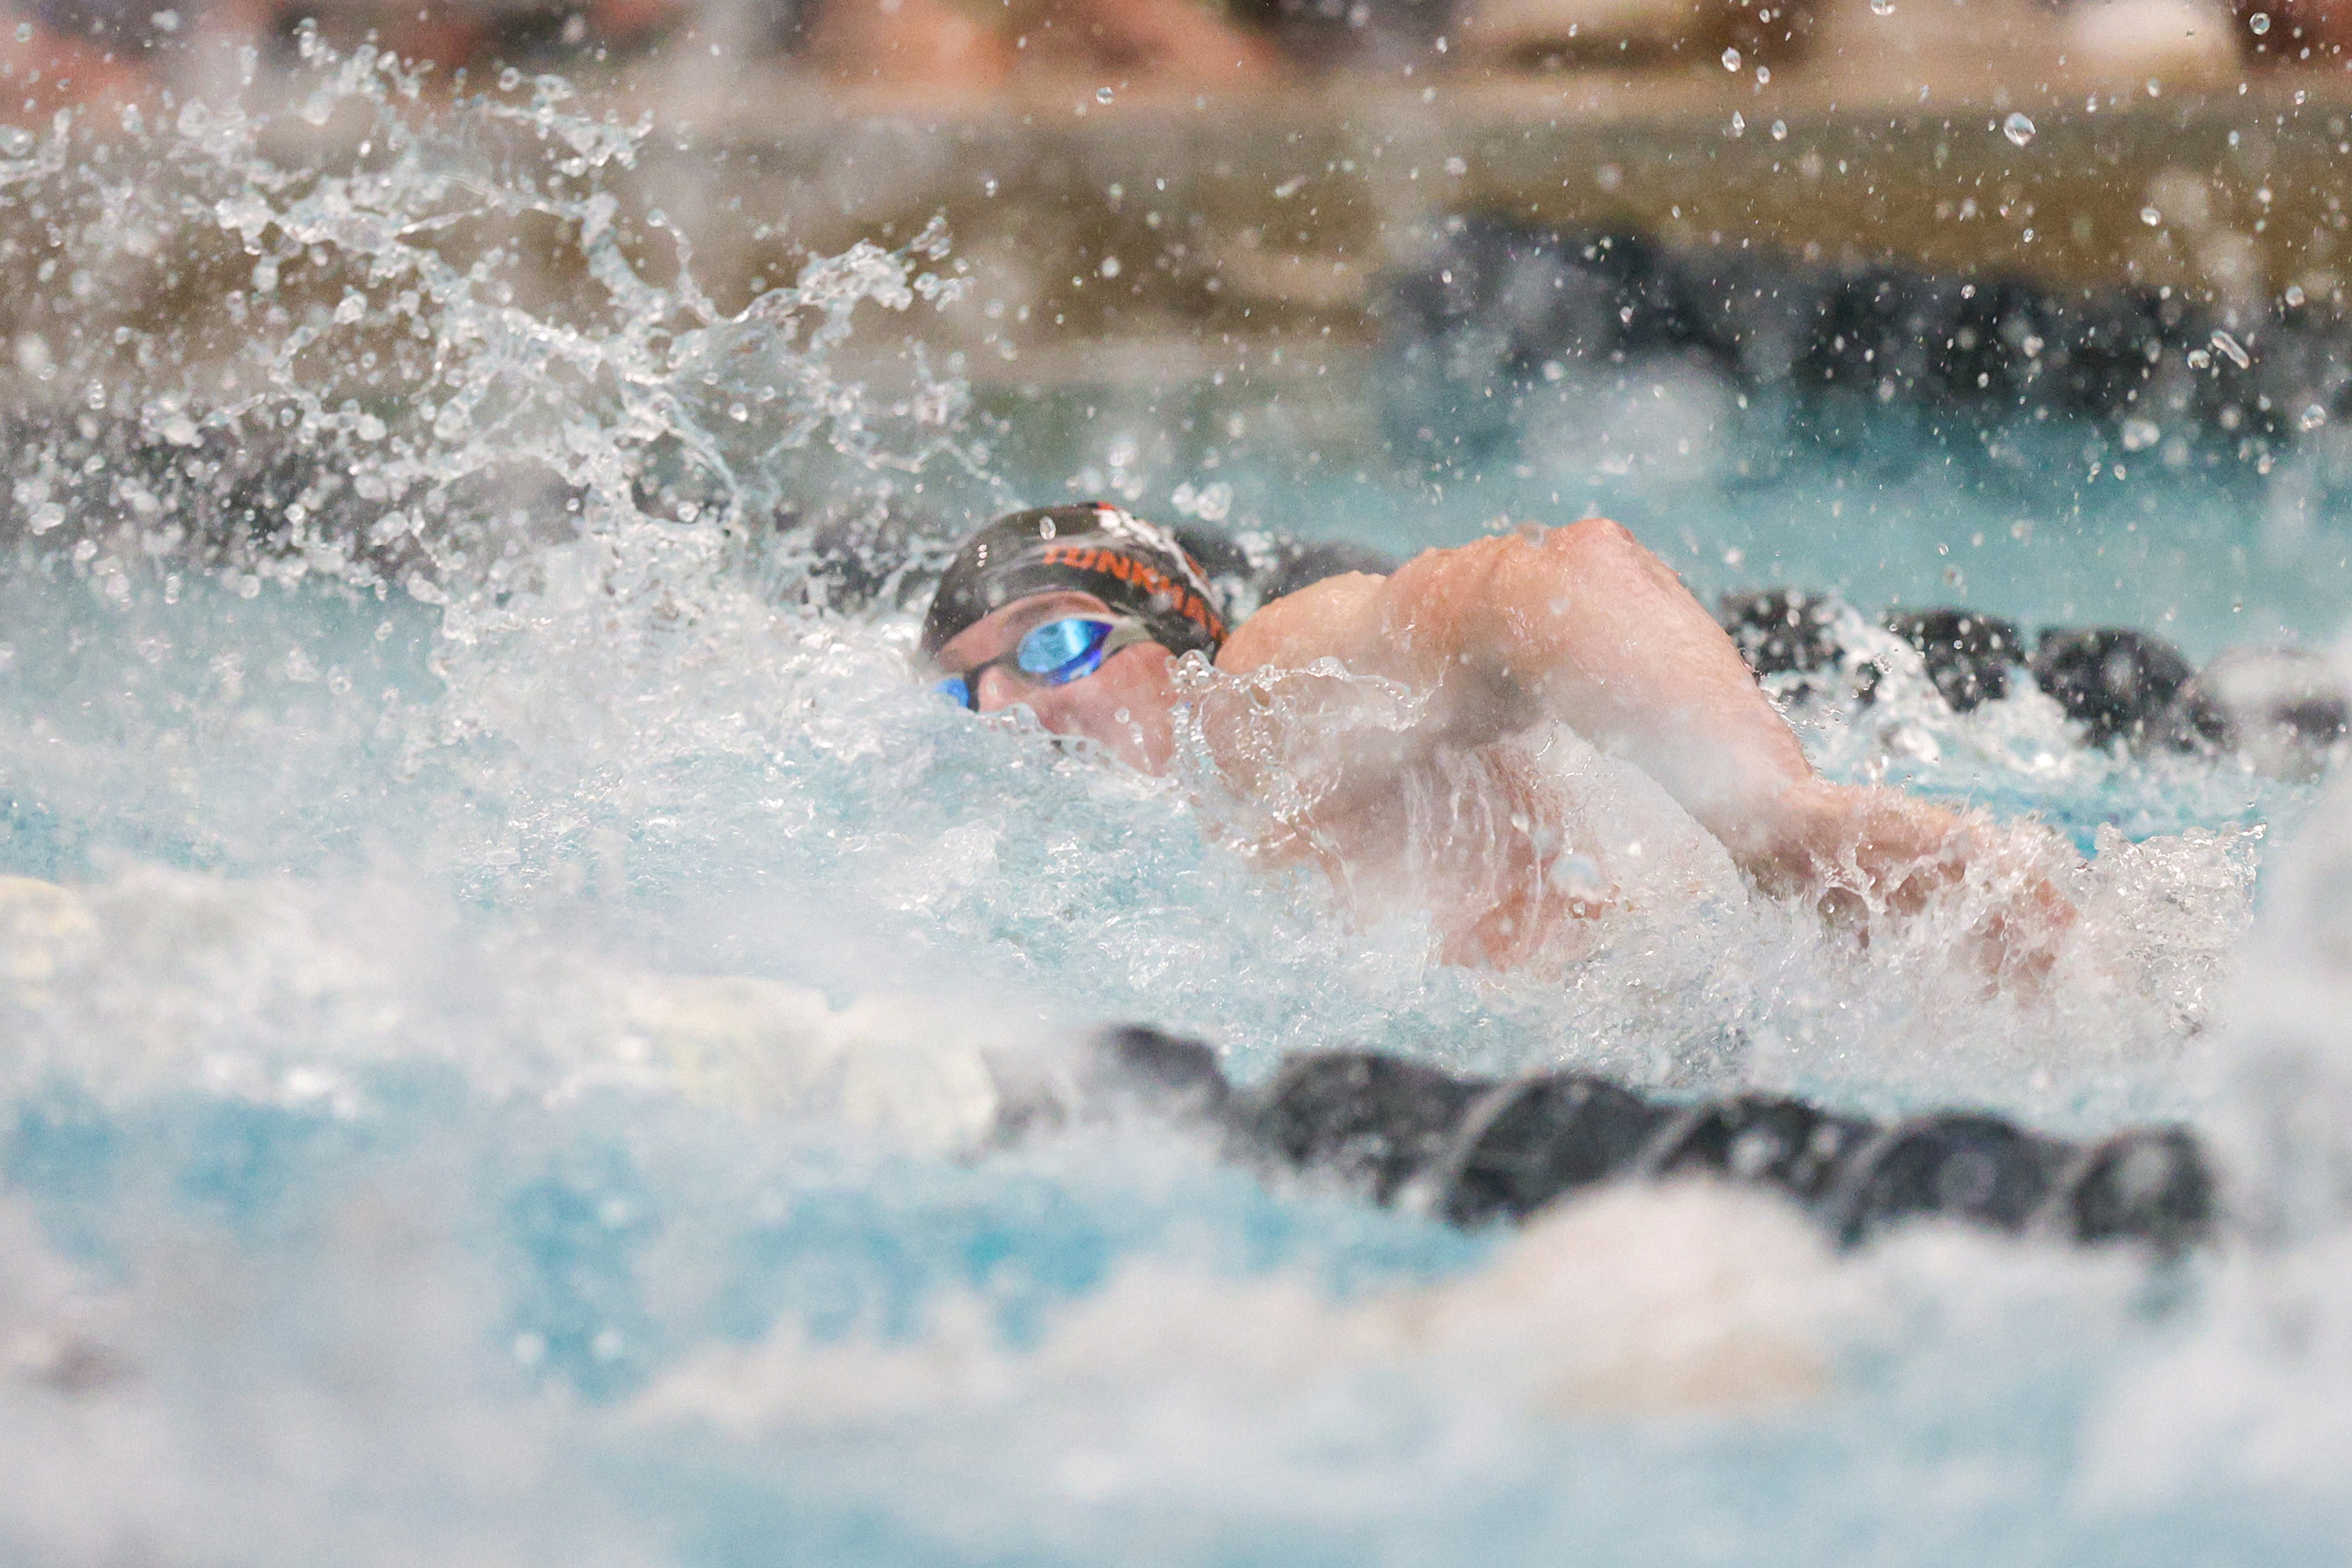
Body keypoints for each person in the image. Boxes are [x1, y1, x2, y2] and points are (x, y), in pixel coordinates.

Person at [920, 501, 2075, 979]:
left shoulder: (1265, 701)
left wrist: (1773, 815)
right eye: (971, 691)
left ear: (1178, 640)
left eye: (1055, 645)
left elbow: (1553, 579)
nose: (1019, 712)